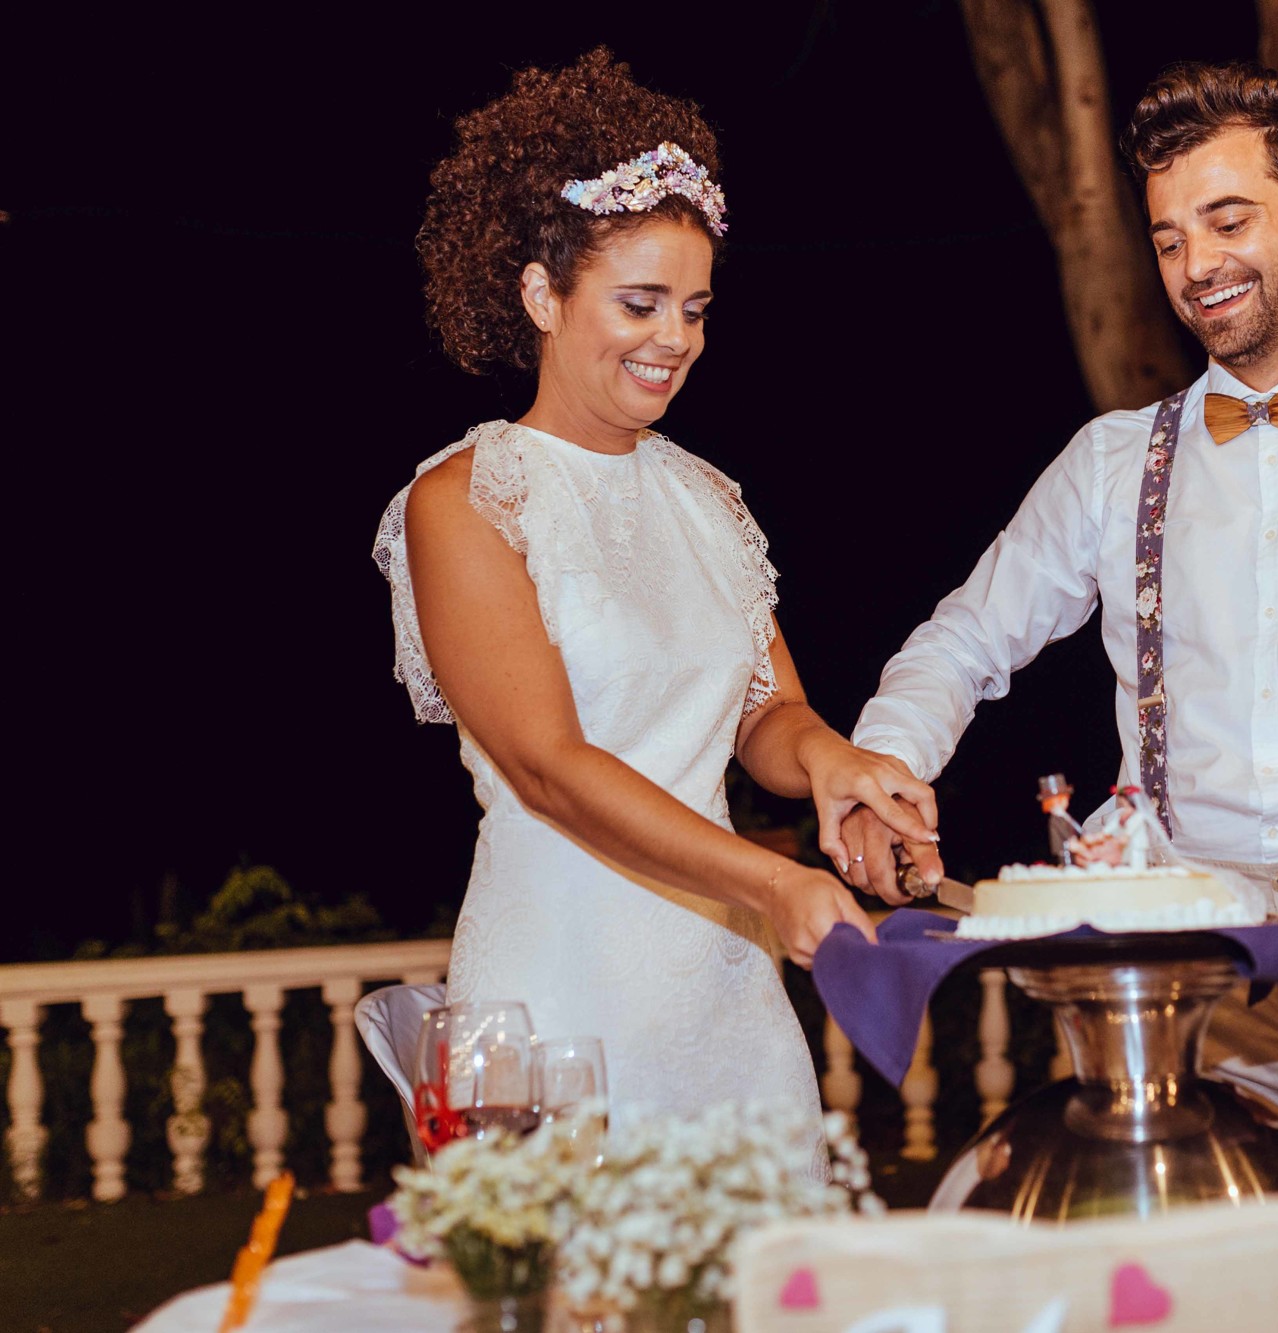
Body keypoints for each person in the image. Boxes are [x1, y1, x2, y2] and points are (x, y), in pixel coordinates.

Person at [842, 62, 1278, 1195]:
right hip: (1180, 984)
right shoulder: (1111, 461)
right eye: (1169, 239)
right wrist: (881, 767)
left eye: (1227, 221)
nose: (1195, 265)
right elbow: (963, 639)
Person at [372, 50, 935, 1121]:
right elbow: (549, 768)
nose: (673, 339)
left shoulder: (706, 499)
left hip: (720, 994)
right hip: (556, 989)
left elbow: (766, 707)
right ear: (542, 294)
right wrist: (770, 883)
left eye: (694, 308)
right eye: (640, 303)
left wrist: (833, 765)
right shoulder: (466, 500)